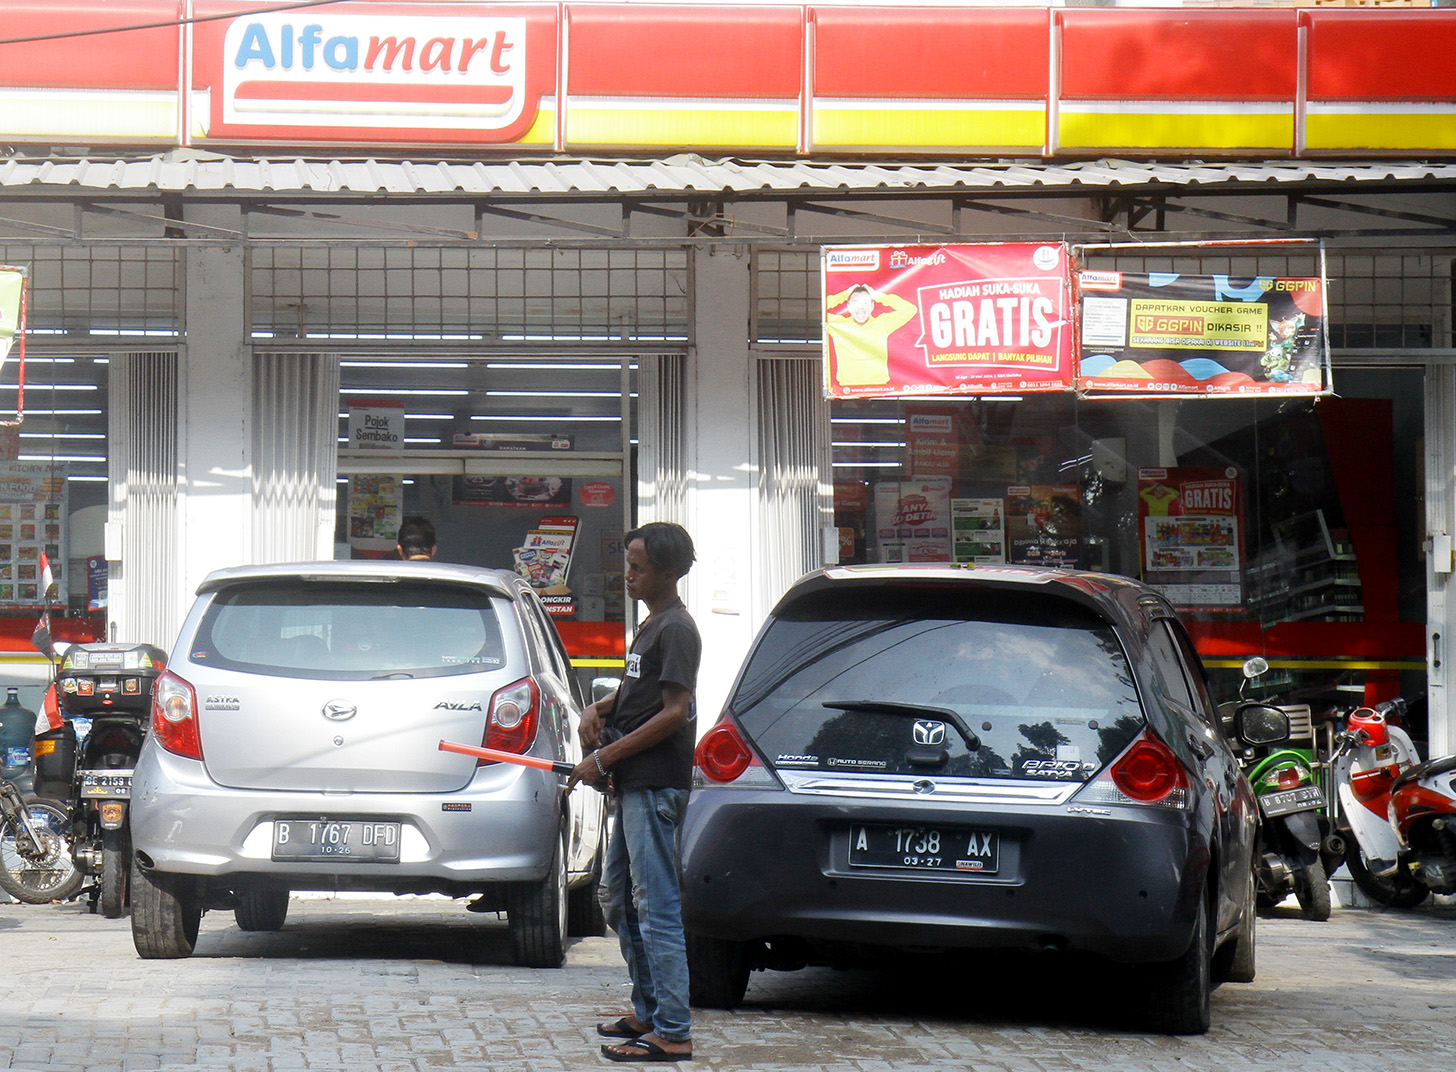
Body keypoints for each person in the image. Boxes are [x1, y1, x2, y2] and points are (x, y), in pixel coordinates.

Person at [567, 522, 700, 1064]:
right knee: (616, 898)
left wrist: (602, 758)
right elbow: (638, 693)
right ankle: (648, 1011)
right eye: (629, 564)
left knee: (657, 907)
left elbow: (676, 711)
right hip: (633, 785)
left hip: (654, 786)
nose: (628, 575)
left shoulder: (678, 629)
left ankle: (673, 1030)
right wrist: (592, 712)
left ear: (668, 573)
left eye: (638, 567)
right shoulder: (651, 626)